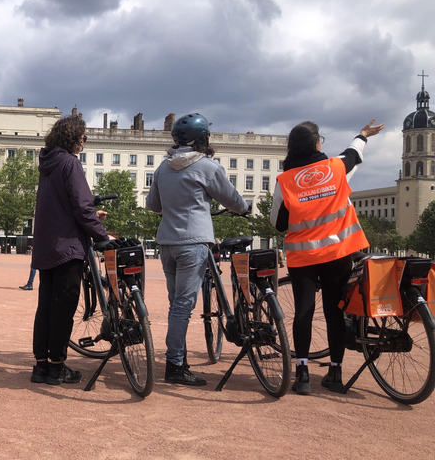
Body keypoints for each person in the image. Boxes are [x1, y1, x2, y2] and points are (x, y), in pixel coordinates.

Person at [270, 119, 383, 395]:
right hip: (338, 252)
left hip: (303, 256)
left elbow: (278, 222)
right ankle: (335, 371)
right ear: (318, 143)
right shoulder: (336, 168)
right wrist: (363, 134)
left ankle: (303, 373)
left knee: (304, 311)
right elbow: (353, 153)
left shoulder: (285, 180)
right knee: (335, 310)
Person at [146, 113, 248, 386]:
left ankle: (178, 358)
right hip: (193, 243)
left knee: (176, 304)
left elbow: (153, 204)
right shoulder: (208, 167)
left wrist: (170, 209)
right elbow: (232, 199)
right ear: (203, 139)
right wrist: (244, 209)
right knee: (183, 306)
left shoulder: (162, 168)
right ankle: (175, 365)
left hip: (166, 243)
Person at [30, 115, 109, 385]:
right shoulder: (70, 163)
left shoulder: (47, 165)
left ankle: (40, 366)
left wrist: (87, 215)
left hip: (46, 245)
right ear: (72, 137)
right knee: (63, 308)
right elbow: (81, 206)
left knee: (46, 308)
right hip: (68, 247)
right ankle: (57, 367)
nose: (84, 141)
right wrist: (101, 235)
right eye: (83, 136)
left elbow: (61, 206)